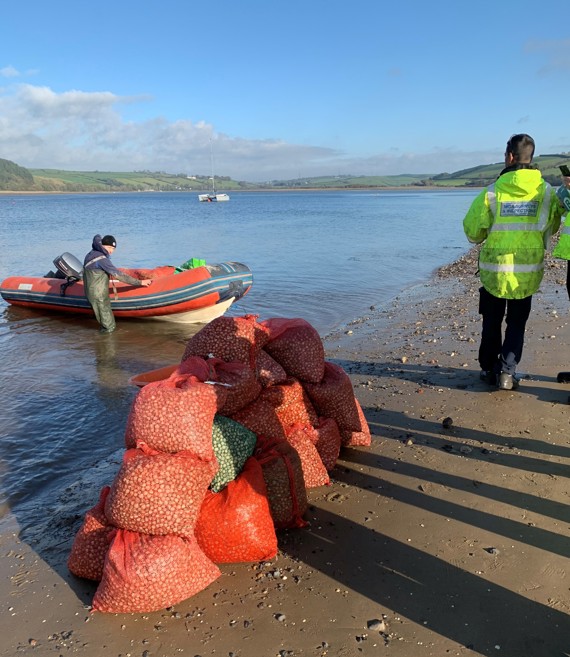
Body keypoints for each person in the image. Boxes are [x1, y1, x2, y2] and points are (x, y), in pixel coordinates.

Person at [463, 134, 565, 390]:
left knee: (491, 320)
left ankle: (488, 368)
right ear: (531, 158)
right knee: (517, 323)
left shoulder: (492, 192)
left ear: (509, 157)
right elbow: (551, 227)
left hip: (495, 271)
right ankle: (507, 374)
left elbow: (472, 232)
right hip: (527, 271)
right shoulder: (546, 192)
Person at [83, 234, 152, 333]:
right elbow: (119, 275)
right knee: (109, 327)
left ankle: (102, 344)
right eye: (109, 247)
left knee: (105, 323)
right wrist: (139, 282)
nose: (111, 251)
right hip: (99, 296)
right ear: (102, 245)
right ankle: (106, 346)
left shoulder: (92, 253)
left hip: (93, 292)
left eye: (113, 249)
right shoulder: (101, 259)